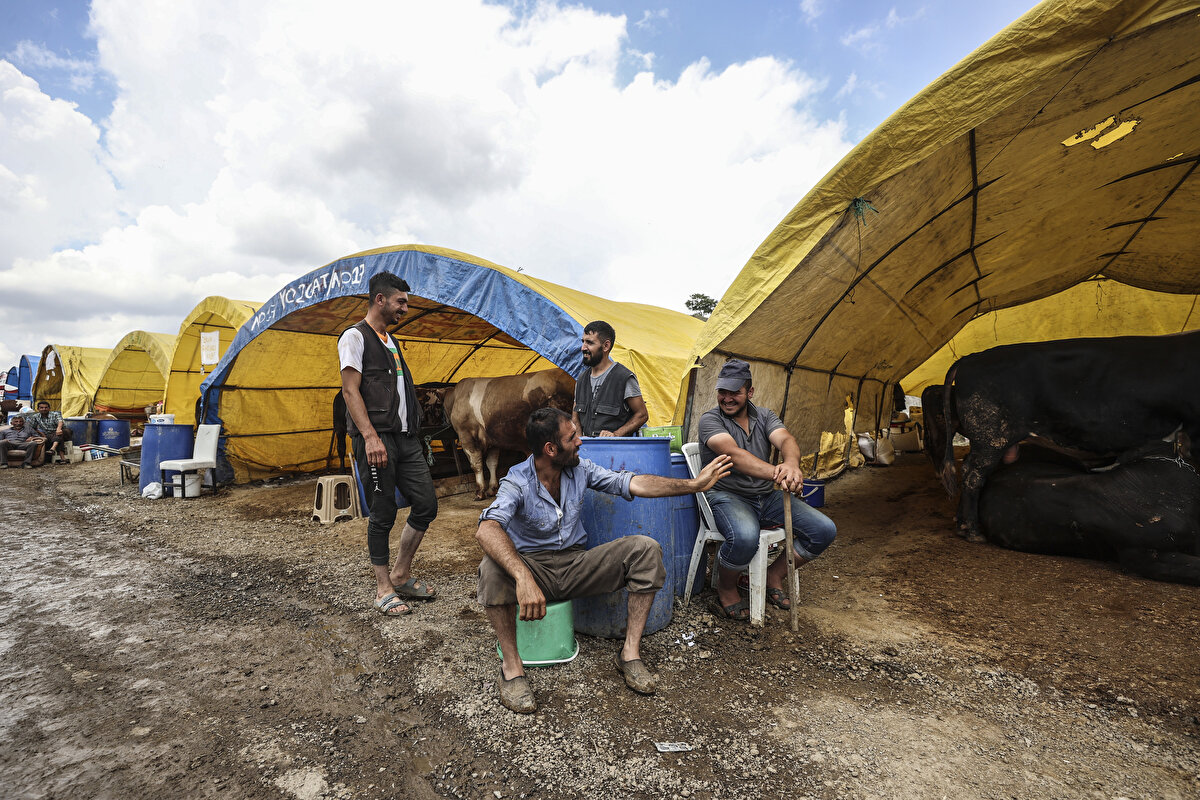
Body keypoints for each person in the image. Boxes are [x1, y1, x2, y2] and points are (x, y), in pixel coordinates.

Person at [476, 407, 732, 713]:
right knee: (491, 568)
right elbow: (487, 528)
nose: (581, 441)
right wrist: (523, 577)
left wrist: (693, 485)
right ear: (551, 449)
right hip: (535, 568)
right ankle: (512, 666)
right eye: (572, 437)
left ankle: (629, 654)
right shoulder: (517, 481)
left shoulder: (579, 469)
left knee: (645, 549)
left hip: (575, 565)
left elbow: (632, 483)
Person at [698, 359, 837, 621]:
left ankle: (774, 574)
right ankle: (727, 587)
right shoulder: (709, 420)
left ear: (749, 392)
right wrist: (780, 472)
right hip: (728, 495)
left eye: (734, 392)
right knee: (745, 537)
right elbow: (734, 455)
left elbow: (785, 439)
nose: (727, 399)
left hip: (766, 496)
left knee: (824, 530)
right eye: (722, 392)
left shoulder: (764, 415)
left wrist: (793, 464)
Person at [338, 272, 438, 617]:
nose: (405, 309)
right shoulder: (355, 337)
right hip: (377, 439)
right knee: (383, 513)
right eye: (401, 302)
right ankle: (383, 589)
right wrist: (369, 437)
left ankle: (400, 574)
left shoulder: (389, 340)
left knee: (426, 504)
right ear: (380, 299)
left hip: (406, 439)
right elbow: (350, 391)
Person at [571, 320, 649, 437]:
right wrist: (579, 439)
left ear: (606, 346)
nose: (583, 348)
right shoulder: (581, 379)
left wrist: (615, 435)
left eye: (590, 343)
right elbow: (575, 416)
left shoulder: (623, 378)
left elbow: (642, 414)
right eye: (583, 342)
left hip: (615, 452)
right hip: (586, 452)